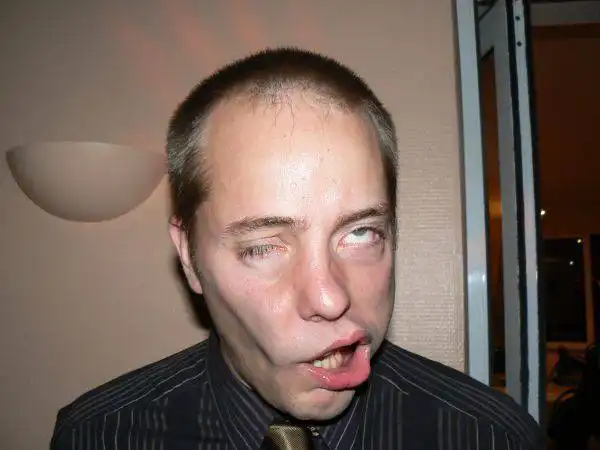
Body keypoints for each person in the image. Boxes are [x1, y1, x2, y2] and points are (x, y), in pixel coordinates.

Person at [51, 48, 541, 449]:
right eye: (263, 247)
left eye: (361, 233)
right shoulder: (98, 436)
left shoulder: (492, 437)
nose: (330, 299)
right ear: (189, 257)